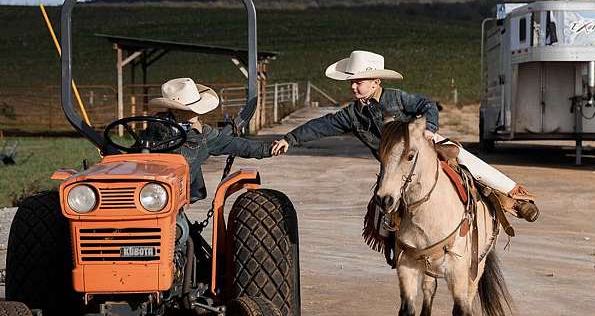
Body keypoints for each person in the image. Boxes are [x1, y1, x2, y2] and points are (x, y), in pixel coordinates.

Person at [271, 50, 539, 262]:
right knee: (382, 207)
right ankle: (398, 250)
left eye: (358, 82)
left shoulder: (398, 99)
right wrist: (290, 138)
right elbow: (322, 125)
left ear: (376, 82)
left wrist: (430, 130)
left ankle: (512, 198)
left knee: (465, 159)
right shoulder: (352, 115)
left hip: (423, 147)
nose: (353, 87)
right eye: (351, 82)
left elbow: (426, 105)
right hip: (395, 167)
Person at [149, 77, 271, 203]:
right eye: (192, 108)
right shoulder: (153, 130)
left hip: (178, 194)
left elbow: (234, 144)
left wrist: (268, 149)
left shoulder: (202, 134)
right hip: (150, 193)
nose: (198, 113)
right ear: (175, 110)